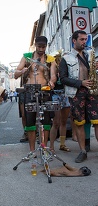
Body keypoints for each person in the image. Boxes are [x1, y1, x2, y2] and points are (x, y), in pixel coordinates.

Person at [59, 30, 98, 163]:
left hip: (92, 91)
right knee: (79, 123)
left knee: (97, 122)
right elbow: (63, 79)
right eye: (81, 39)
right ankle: (82, 151)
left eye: (85, 39)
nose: (84, 42)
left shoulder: (88, 55)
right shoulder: (65, 58)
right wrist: (80, 83)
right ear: (74, 41)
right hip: (76, 93)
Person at [14, 36, 57, 156]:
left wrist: (52, 81)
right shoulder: (27, 57)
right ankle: (32, 151)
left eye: (44, 47)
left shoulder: (50, 59)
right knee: (30, 122)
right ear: (35, 45)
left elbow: (53, 74)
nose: (41, 49)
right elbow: (15, 74)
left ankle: (43, 148)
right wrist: (22, 71)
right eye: (39, 46)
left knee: (46, 121)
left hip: (44, 91)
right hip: (29, 91)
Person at [49, 51, 71, 153]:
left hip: (65, 93)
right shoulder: (51, 69)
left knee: (64, 122)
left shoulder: (65, 68)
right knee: (56, 122)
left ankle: (62, 144)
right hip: (55, 95)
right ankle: (51, 146)